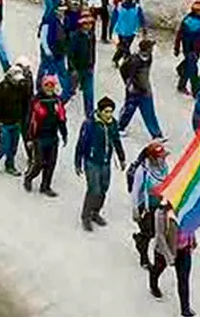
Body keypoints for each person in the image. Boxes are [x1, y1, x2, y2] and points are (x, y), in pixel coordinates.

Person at [74, 97, 125, 230]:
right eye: (106, 112)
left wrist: (121, 158)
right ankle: (86, 216)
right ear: (100, 111)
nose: (109, 114)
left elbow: (116, 140)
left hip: (106, 162)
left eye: (111, 112)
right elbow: (81, 143)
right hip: (92, 162)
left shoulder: (112, 123)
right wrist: (78, 162)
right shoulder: (90, 124)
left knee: (103, 188)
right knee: (93, 189)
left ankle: (95, 212)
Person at [23, 75, 68, 197]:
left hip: (53, 136)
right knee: (38, 163)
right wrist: (28, 138)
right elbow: (29, 120)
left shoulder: (57, 101)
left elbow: (62, 119)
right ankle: (29, 177)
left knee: (51, 163)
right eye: (47, 85)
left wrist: (64, 134)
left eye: (51, 85)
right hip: (39, 137)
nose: (49, 88)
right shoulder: (36, 101)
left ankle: (45, 186)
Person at [151, 200, 197, 317]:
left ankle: (185, 309)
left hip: (184, 249)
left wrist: (193, 240)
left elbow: (191, 224)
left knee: (183, 280)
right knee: (158, 269)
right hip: (165, 250)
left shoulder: (186, 208)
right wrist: (169, 257)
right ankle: (153, 283)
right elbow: (160, 236)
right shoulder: (161, 213)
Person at [131, 141, 170, 268]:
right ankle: (144, 257)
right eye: (160, 157)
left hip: (159, 205)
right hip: (146, 207)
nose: (163, 158)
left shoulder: (164, 168)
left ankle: (139, 239)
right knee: (148, 233)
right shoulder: (142, 171)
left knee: (155, 231)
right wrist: (135, 209)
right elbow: (135, 191)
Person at [0, 65, 32, 176]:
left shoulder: (22, 88)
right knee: (4, 145)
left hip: (16, 122)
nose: (18, 81)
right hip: (3, 123)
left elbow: (26, 102)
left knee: (13, 146)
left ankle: (10, 165)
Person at [117, 39, 164, 140]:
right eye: (151, 48)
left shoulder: (149, 58)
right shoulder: (134, 60)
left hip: (145, 89)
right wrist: (128, 83)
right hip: (133, 90)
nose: (152, 50)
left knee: (149, 112)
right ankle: (120, 127)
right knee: (129, 109)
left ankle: (156, 134)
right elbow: (123, 69)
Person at [174, 0, 200, 96]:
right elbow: (179, 36)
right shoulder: (187, 22)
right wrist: (177, 48)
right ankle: (191, 89)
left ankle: (181, 69)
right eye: (199, 11)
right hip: (190, 49)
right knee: (192, 70)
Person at [37, 0, 71, 102]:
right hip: (50, 53)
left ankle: (65, 94)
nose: (62, 12)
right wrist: (47, 51)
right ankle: (41, 89)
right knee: (46, 71)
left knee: (62, 73)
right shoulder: (48, 21)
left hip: (60, 52)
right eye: (60, 10)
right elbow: (43, 38)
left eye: (63, 10)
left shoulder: (64, 21)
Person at [68, 10, 97, 119]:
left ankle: (89, 116)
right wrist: (72, 69)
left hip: (88, 68)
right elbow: (70, 54)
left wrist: (93, 63)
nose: (88, 26)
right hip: (78, 68)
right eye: (86, 24)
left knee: (89, 94)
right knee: (68, 91)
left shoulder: (91, 35)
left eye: (90, 23)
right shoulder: (75, 36)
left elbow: (92, 51)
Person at [110, 0, 146, 68]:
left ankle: (119, 60)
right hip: (131, 30)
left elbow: (113, 18)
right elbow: (141, 19)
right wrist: (143, 29)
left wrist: (111, 29)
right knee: (125, 46)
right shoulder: (137, 8)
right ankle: (125, 61)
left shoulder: (119, 6)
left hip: (121, 30)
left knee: (124, 46)